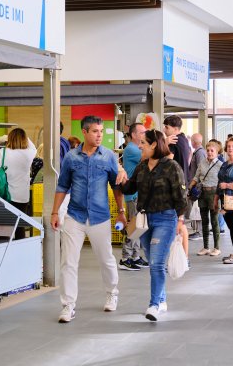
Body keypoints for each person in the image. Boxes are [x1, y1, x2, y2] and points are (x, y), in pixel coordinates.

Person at [50, 115, 127, 323]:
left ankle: (112, 292)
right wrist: (55, 212)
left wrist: (121, 210)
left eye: (101, 131)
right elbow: (62, 186)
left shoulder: (109, 157)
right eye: (95, 131)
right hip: (74, 216)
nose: (99, 135)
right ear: (84, 132)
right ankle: (68, 305)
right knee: (68, 262)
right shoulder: (71, 158)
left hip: (100, 217)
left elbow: (116, 186)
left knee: (106, 259)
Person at [121, 129, 187, 322]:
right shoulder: (142, 167)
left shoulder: (171, 167)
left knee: (157, 264)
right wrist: (120, 176)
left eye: (143, 143)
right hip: (145, 222)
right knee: (153, 264)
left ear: (153, 145)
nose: (139, 146)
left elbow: (181, 198)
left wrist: (180, 221)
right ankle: (162, 299)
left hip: (166, 220)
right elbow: (129, 187)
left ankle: (154, 305)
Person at [0, 128, 36, 240]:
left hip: (6, 195)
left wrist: (6, 136)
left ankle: (5, 254)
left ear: (9, 139)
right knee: (19, 226)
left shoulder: (3, 152)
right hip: (22, 196)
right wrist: (25, 137)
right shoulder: (29, 153)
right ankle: (20, 254)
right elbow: (33, 147)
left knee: (6, 227)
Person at [118, 123, 149, 271]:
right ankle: (125, 258)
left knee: (139, 226)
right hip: (133, 195)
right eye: (142, 132)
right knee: (134, 225)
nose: (145, 134)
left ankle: (135, 256)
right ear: (134, 135)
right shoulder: (131, 149)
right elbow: (147, 156)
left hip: (138, 194)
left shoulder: (136, 148)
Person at [163, 115, 192, 257]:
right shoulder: (185, 140)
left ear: (175, 129)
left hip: (175, 187)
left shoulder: (173, 141)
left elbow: (167, 161)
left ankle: (181, 258)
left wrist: (164, 144)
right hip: (183, 184)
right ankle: (184, 257)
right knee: (181, 222)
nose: (164, 129)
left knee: (178, 223)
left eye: (167, 127)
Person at [215, 137, 233, 264]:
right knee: (232, 227)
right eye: (228, 146)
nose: (230, 148)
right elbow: (219, 182)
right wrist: (216, 198)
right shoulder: (225, 164)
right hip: (224, 200)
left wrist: (227, 186)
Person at [189, 141, 222, 256]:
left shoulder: (220, 165)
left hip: (214, 194)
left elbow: (221, 182)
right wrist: (190, 186)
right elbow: (196, 177)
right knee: (204, 221)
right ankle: (206, 247)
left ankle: (217, 247)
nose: (209, 152)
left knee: (214, 221)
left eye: (212, 150)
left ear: (217, 152)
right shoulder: (202, 163)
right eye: (208, 150)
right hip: (202, 194)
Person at [187, 133, 206, 241]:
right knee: (196, 209)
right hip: (195, 185)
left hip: (197, 186)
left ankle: (199, 231)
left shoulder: (199, 153)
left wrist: (197, 186)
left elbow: (200, 170)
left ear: (194, 142)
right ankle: (197, 230)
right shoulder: (198, 152)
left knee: (198, 209)